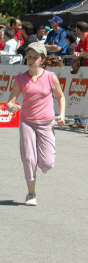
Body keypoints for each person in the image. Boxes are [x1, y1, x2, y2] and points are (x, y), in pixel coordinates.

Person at [6, 41, 66, 206]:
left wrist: (61, 114)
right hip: (27, 122)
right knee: (28, 158)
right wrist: (12, 107)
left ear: (42, 59)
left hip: (46, 123)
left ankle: (40, 159)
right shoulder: (20, 79)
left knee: (47, 163)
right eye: (28, 57)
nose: (30, 60)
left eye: (34, 57)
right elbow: (10, 101)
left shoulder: (50, 77)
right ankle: (31, 193)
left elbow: (61, 97)